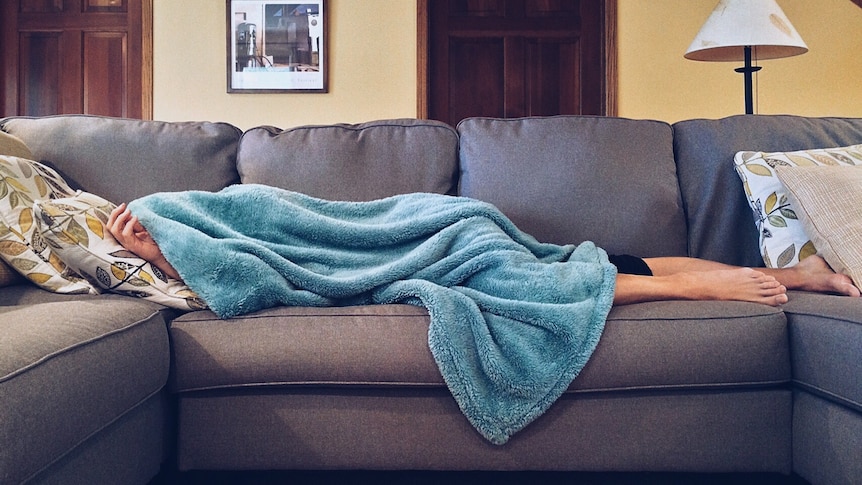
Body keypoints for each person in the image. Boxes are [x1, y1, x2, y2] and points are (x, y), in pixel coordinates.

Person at [106, 202, 861, 308]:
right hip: (457, 228)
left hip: (452, 229)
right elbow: (260, 267)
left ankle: (709, 289)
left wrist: (165, 247)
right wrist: (167, 252)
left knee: (548, 277)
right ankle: (798, 273)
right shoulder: (194, 229)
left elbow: (258, 261)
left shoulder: (198, 213)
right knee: (591, 258)